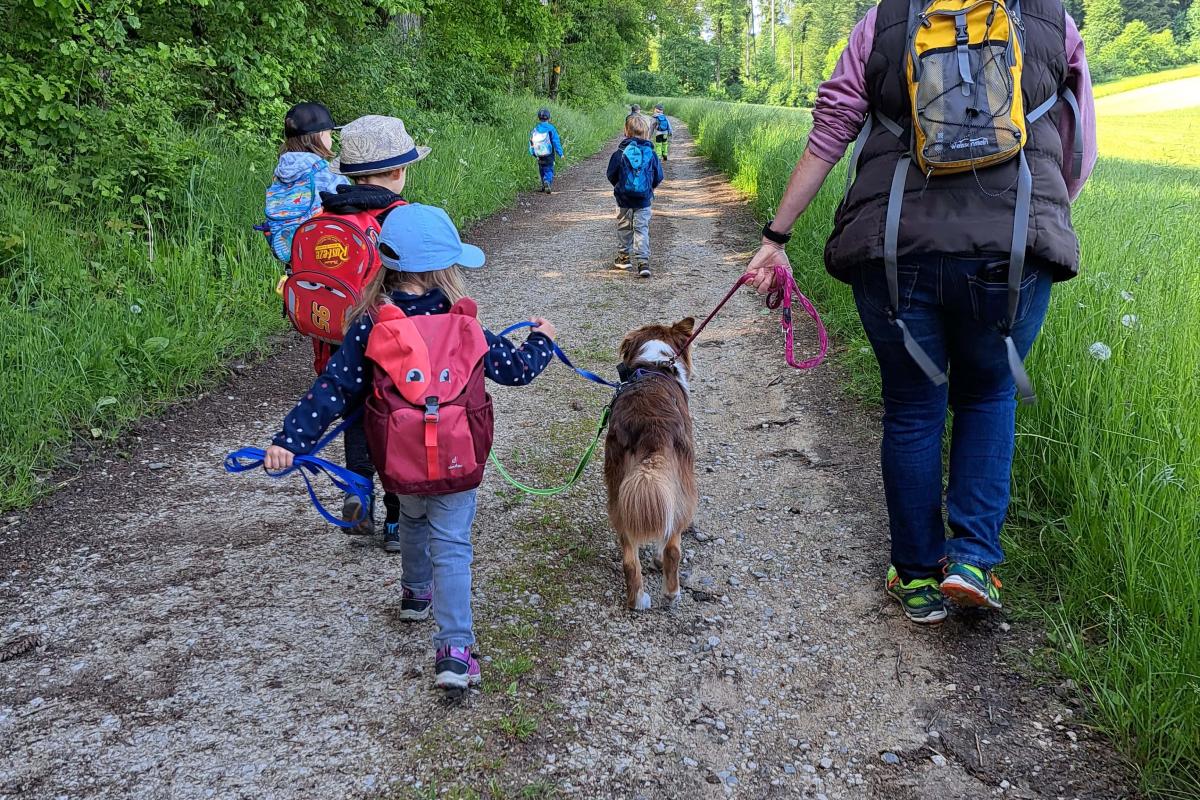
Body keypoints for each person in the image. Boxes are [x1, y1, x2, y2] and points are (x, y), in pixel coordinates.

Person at [745, 0, 1097, 623]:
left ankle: (914, 577)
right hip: (1012, 249)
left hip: (893, 247)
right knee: (989, 393)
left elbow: (832, 129)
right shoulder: (1051, 20)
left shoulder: (884, 21)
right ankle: (971, 561)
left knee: (912, 405)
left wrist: (776, 237)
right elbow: (1079, 149)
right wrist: (1043, 211)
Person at [263, 203, 558, 690]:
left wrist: (290, 441)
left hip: (399, 461)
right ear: (445, 268)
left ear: (387, 264)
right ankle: (456, 650)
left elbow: (332, 390)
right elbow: (518, 370)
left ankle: (415, 596)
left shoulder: (371, 326)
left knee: (415, 518)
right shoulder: (466, 326)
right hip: (458, 460)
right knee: (453, 546)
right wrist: (541, 339)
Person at [321, 114, 430, 537]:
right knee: (397, 425)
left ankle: (357, 491)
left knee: (357, 416)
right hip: (393, 343)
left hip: (336, 342)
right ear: (399, 171)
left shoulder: (329, 214)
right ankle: (395, 518)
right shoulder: (400, 217)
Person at [261, 102, 349, 267]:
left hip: (291, 252)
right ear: (321, 135)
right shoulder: (325, 172)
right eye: (330, 134)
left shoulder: (281, 171)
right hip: (326, 252)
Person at [606, 113, 663, 279]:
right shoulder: (651, 154)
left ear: (626, 131)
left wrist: (620, 187)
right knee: (641, 228)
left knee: (624, 226)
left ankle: (624, 258)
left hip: (623, 199)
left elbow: (611, 174)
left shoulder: (620, 152)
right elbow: (658, 176)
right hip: (644, 200)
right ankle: (643, 262)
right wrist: (648, 189)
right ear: (646, 133)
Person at [529, 108, 564, 194]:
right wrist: (560, 153)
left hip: (539, 154)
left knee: (541, 169)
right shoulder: (551, 128)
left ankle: (543, 185)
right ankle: (547, 181)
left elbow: (531, 141)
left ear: (539, 118)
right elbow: (556, 142)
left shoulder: (535, 129)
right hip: (549, 153)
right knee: (549, 169)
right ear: (549, 118)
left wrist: (532, 152)